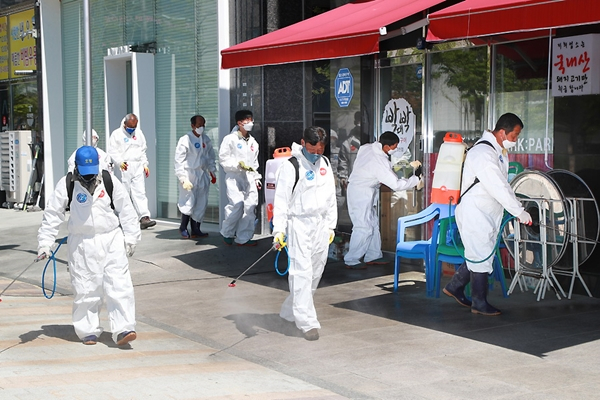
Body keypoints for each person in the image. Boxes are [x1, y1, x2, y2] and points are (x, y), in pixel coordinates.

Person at [37, 146, 141, 346]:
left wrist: (131, 237)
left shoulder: (109, 180)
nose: (89, 177)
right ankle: (88, 330)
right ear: (76, 167)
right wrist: (45, 243)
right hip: (81, 243)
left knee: (119, 284)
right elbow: (52, 214)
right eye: (84, 172)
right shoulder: (67, 184)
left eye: (92, 171)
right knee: (85, 287)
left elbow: (126, 209)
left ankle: (124, 328)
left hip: (111, 238)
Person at [443, 113, 532, 316]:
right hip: (475, 212)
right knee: (480, 255)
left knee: (480, 253)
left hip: (486, 212)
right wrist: (519, 211)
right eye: (514, 135)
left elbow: (501, 186)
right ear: (502, 133)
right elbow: (498, 186)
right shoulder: (483, 153)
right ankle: (479, 302)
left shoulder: (496, 151)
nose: (515, 140)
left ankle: (455, 287)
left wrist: (515, 208)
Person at [272, 126, 337, 341]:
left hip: (320, 224)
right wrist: (279, 230)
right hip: (299, 224)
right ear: (303, 143)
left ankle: (289, 311)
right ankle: (307, 322)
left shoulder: (325, 163)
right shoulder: (291, 166)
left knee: (316, 271)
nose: (316, 154)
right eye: (312, 149)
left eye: (320, 150)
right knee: (302, 273)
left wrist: (331, 226)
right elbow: (281, 201)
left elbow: (331, 196)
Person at [344, 131, 421, 269]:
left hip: (365, 189)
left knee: (372, 224)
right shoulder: (379, 162)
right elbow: (396, 185)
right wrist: (415, 180)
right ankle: (352, 260)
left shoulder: (367, 147)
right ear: (386, 147)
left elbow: (384, 171)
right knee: (363, 226)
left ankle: (373, 255)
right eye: (394, 147)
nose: (395, 149)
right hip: (360, 192)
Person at [218, 110, 261, 246]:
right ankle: (227, 232)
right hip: (234, 177)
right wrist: (237, 165)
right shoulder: (230, 139)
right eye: (247, 120)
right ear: (239, 123)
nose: (250, 123)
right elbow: (223, 158)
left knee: (250, 207)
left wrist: (256, 178)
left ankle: (244, 238)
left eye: (251, 120)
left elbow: (255, 163)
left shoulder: (253, 142)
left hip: (249, 177)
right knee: (237, 205)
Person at [108, 113, 156, 230]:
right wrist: (119, 162)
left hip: (137, 165)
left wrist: (145, 164)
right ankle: (122, 218)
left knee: (140, 192)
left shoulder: (139, 134)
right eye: (130, 127)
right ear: (125, 124)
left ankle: (144, 217)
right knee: (123, 193)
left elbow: (142, 150)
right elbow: (112, 150)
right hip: (124, 166)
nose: (132, 129)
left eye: (134, 127)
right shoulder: (116, 134)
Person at [174, 115, 217, 239]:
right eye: (199, 125)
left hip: (202, 174)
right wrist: (183, 178)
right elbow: (178, 160)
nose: (201, 128)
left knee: (201, 202)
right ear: (192, 126)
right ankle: (183, 227)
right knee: (188, 201)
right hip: (189, 174)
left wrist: (212, 171)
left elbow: (210, 156)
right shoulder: (185, 140)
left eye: (203, 125)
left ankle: (196, 229)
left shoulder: (206, 139)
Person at [338, 111, 362, 190]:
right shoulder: (347, 143)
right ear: (355, 122)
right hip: (353, 181)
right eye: (358, 121)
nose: (360, 124)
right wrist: (343, 177)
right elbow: (343, 161)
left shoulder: (373, 140)